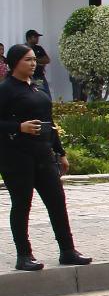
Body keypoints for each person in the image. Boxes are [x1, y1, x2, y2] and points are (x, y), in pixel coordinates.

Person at [1, 45, 90, 270]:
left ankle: (67, 250)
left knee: (57, 202)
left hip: (43, 153)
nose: (33, 63)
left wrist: (60, 152)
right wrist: (18, 127)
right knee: (22, 204)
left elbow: (49, 123)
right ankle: (24, 255)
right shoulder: (5, 90)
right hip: (16, 156)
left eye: (34, 60)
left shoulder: (37, 88)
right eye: (27, 60)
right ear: (14, 63)